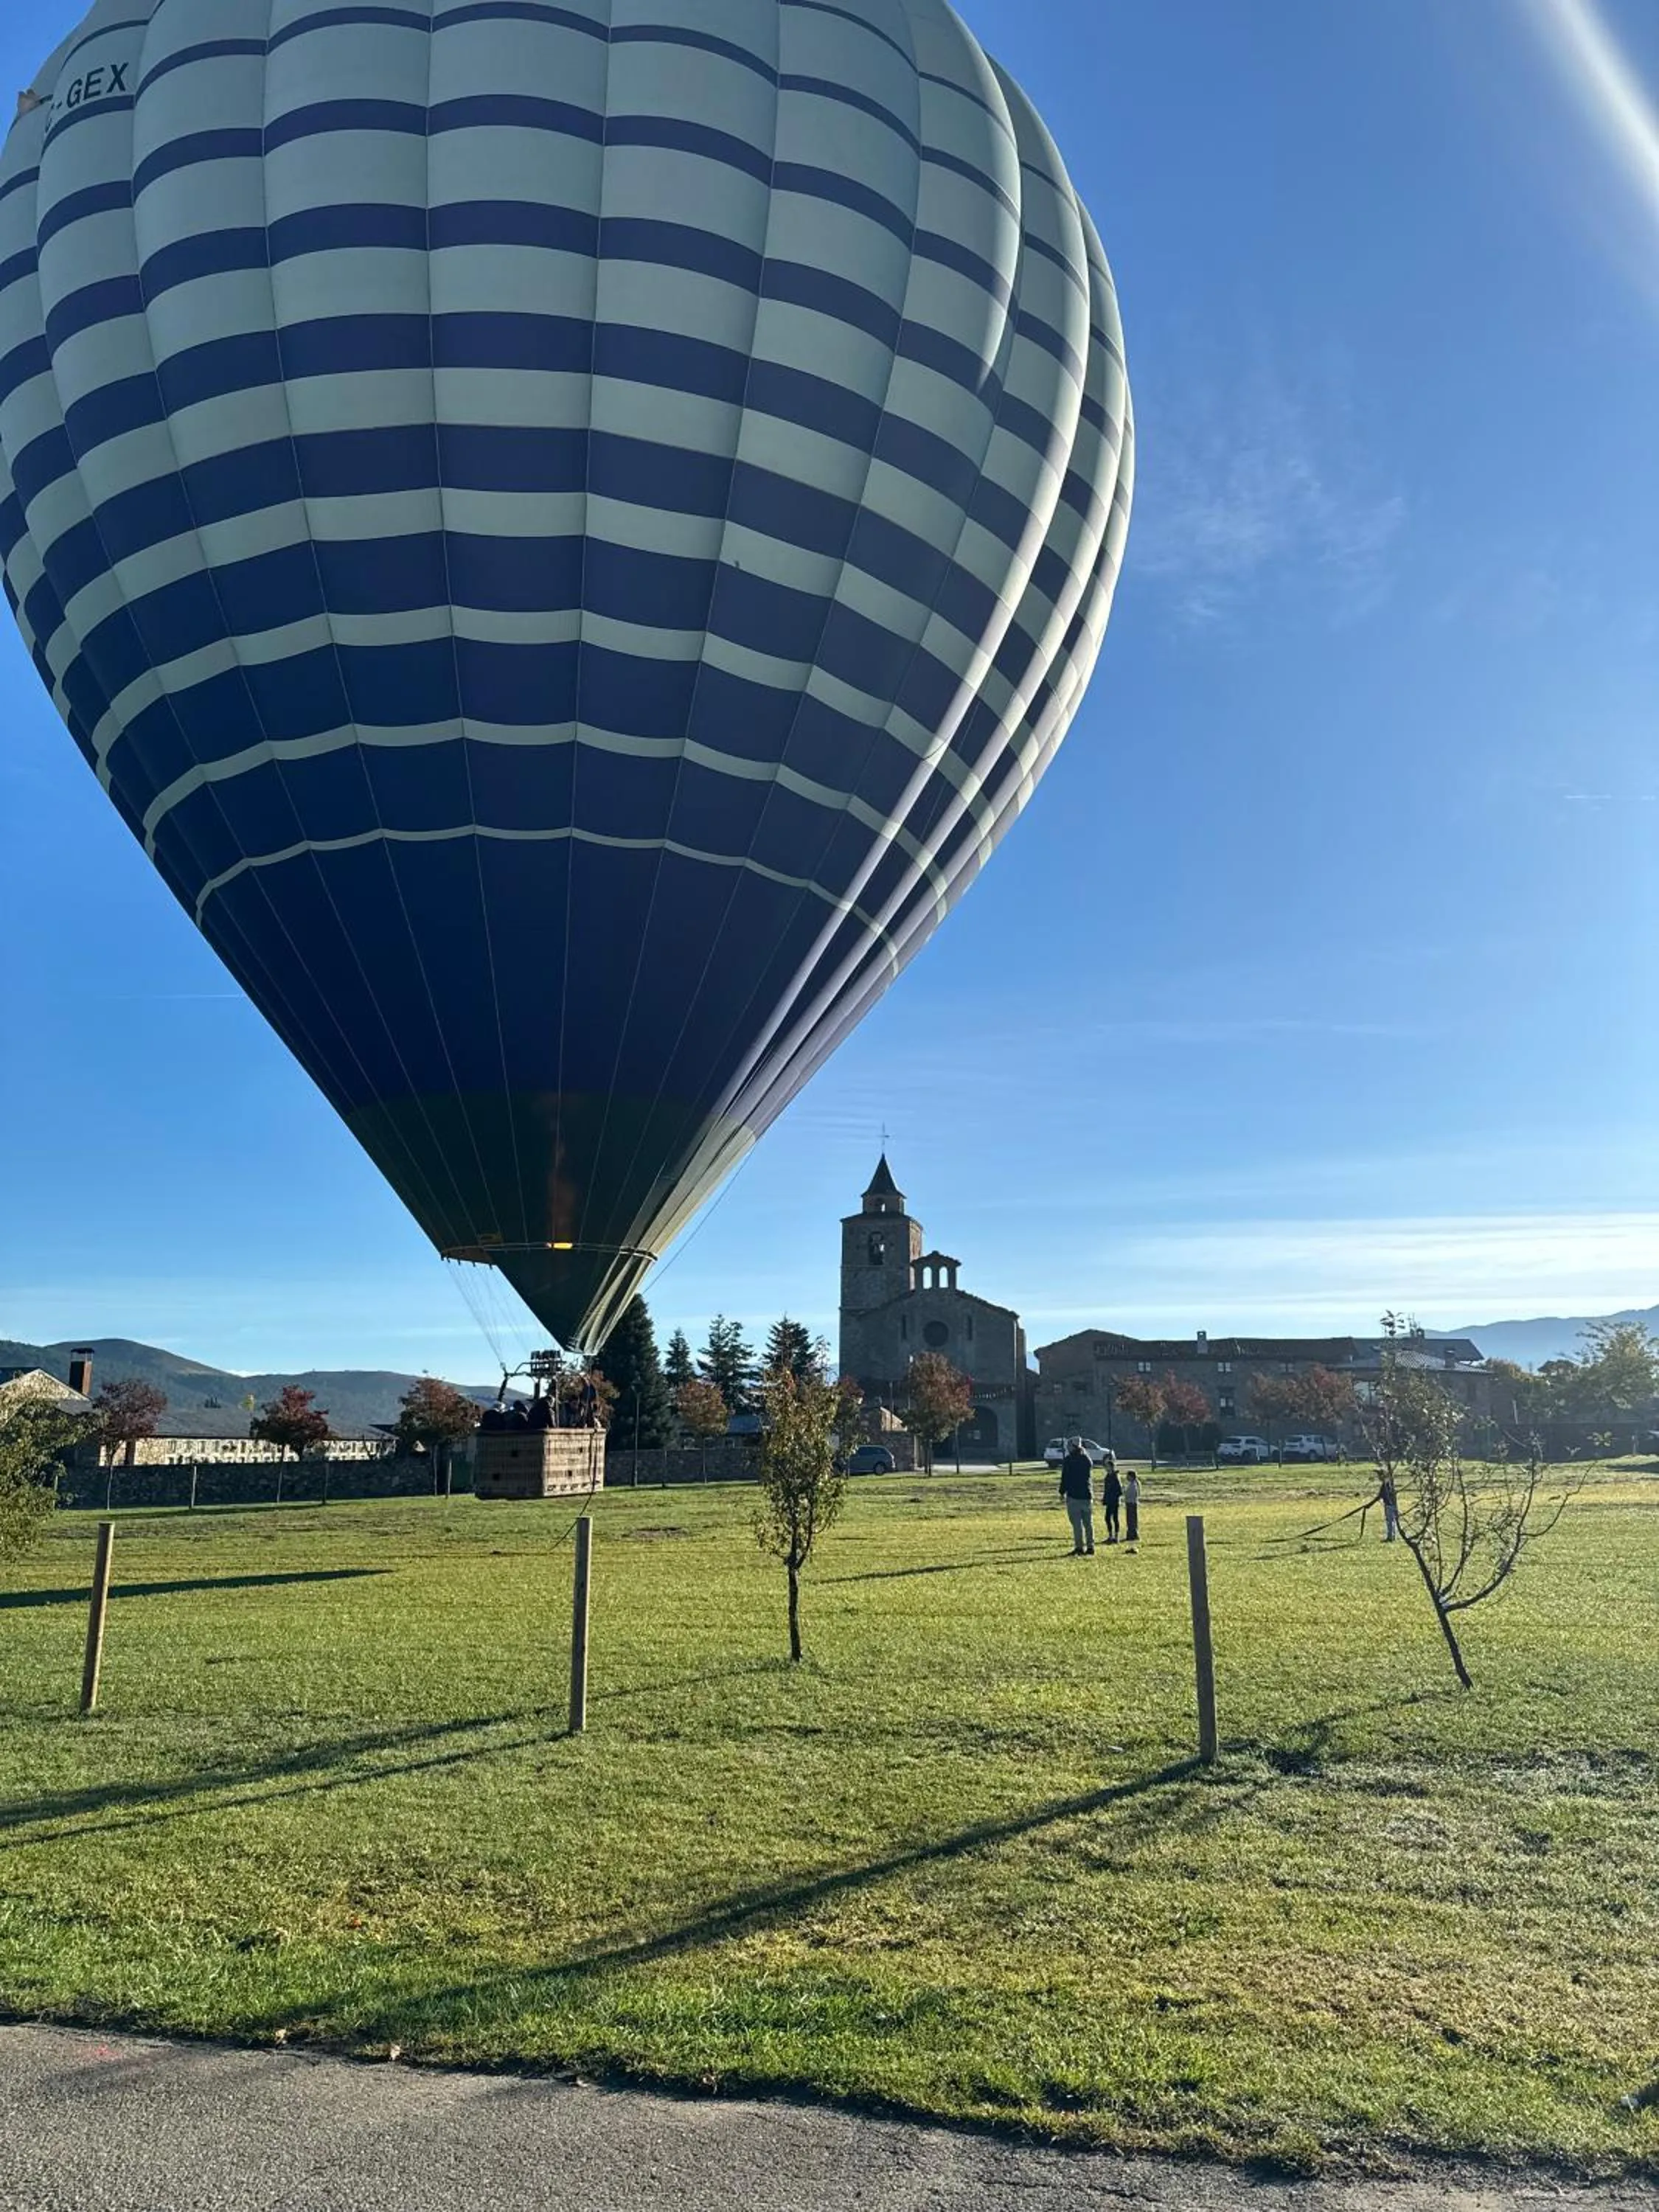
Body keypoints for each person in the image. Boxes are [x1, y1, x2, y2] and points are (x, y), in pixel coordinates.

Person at [1058, 1436, 1095, 1555]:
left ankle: (1079, 1547)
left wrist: (1062, 1492)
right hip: (1087, 1495)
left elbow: (1065, 1478)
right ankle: (1091, 1547)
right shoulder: (1087, 1460)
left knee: (1077, 1524)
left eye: (1069, 1446)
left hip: (1074, 1495)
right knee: (1088, 1523)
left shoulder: (1069, 1460)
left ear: (1073, 1447)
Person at [1100, 1455, 1123, 1543]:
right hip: (1109, 1501)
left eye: (1107, 1466)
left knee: (1115, 1518)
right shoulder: (1107, 1477)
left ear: (1111, 1467)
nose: (1106, 1468)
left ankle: (1116, 1537)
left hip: (1114, 1501)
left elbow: (1119, 1490)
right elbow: (1106, 1490)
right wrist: (1105, 1499)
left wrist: (1114, 1497)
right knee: (1107, 1518)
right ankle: (1110, 1536)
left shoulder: (1115, 1476)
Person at [1124, 1467, 1141, 1547]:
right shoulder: (1132, 1484)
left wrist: (1124, 1492)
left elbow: (1129, 1495)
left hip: (1131, 1504)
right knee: (1132, 1520)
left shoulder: (1133, 1485)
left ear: (1131, 1477)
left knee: (1131, 1520)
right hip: (1131, 1503)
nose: (1126, 1477)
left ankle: (1132, 1534)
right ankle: (1133, 1534)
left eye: (1128, 1476)